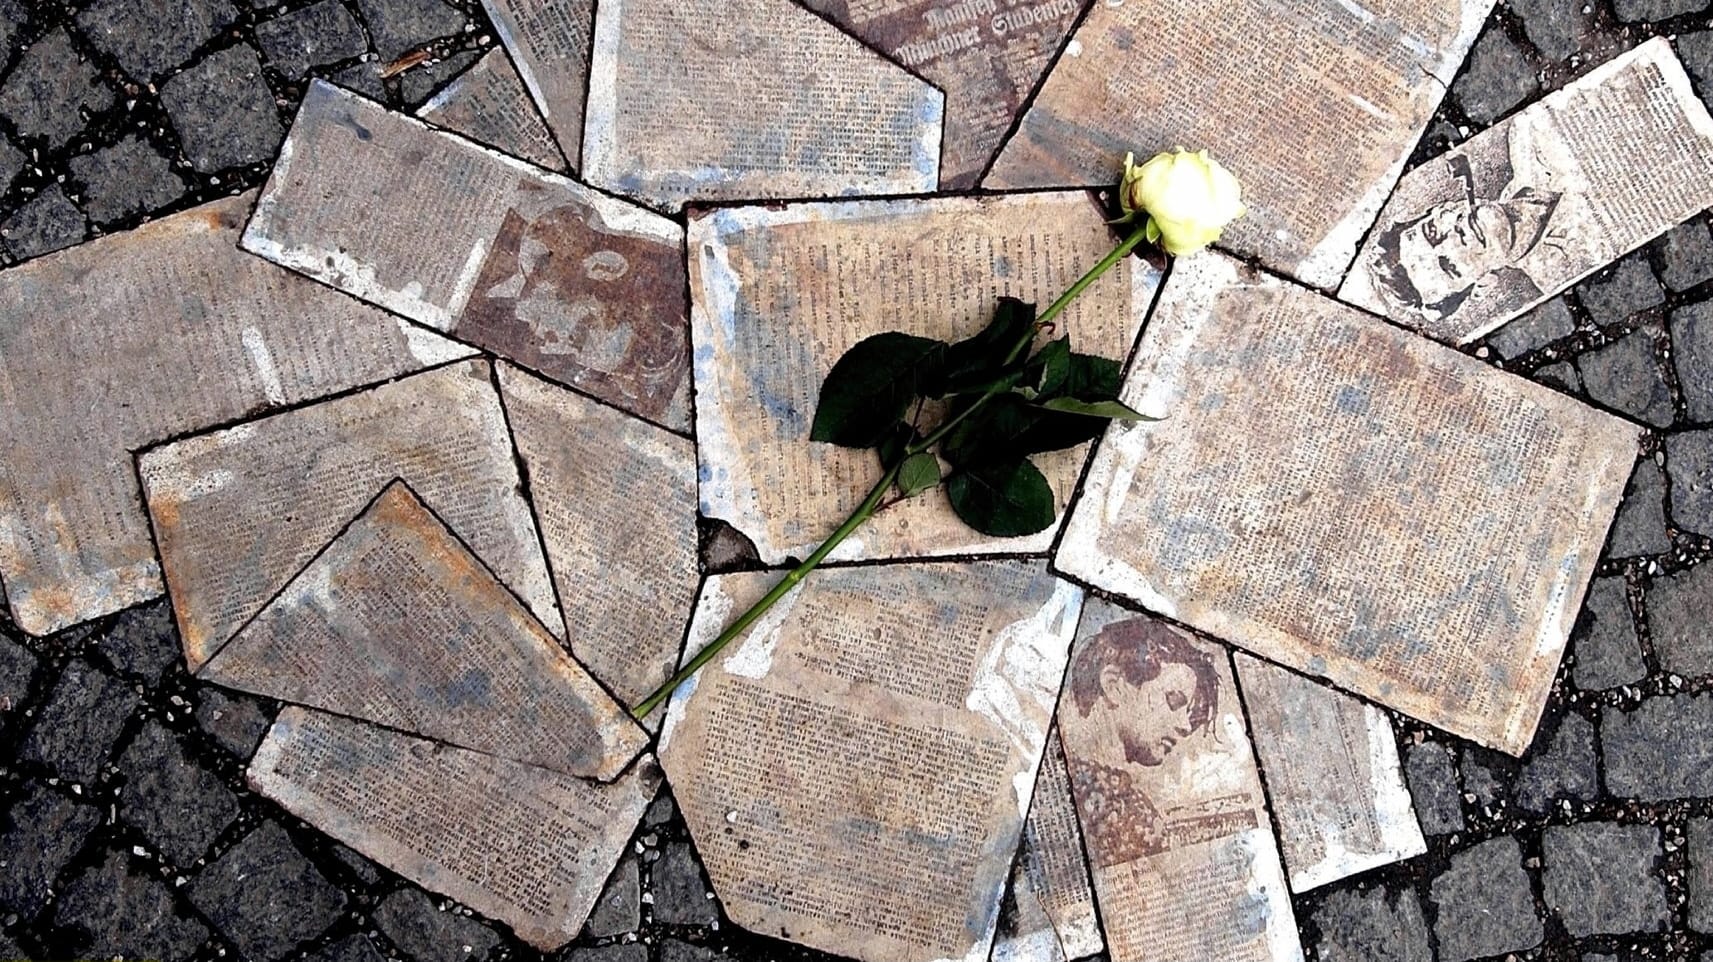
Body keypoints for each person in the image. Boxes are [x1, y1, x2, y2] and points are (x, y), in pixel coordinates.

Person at [1364, 116, 1577, 331]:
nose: (1455, 237)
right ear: (1483, 285)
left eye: (1433, 230)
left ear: (1444, 208)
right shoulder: (1567, 263)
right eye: (1451, 266)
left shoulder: (1526, 135)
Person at [1064, 616, 1221, 865]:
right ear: (1114, 686)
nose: (1184, 725)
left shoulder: (1128, 801)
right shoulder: (1109, 801)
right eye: (1173, 701)